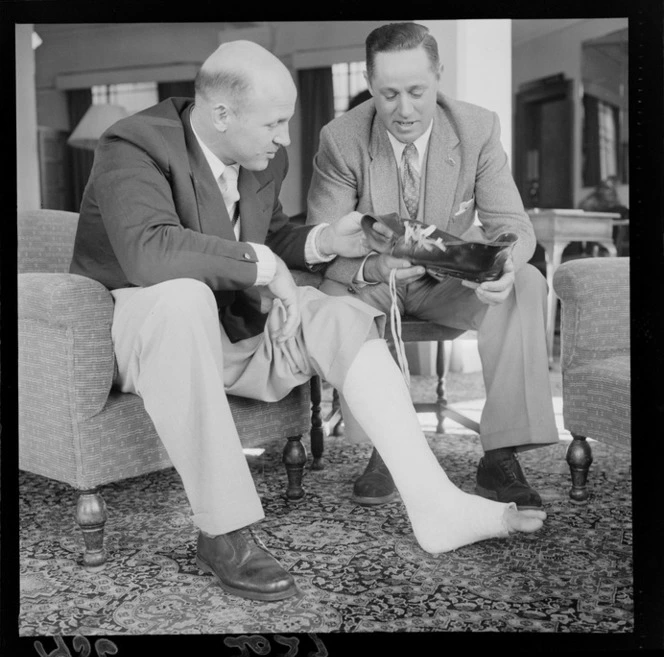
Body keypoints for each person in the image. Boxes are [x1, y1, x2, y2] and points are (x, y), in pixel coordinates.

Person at [70, 39, 546, 603]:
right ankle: (223, 532)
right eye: (275, 122)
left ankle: (434, 504)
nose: (285, 138)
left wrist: (322, 239)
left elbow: (270, 237)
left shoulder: (259, 156)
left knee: (337, 311)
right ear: (222, 115)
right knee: (182, 299)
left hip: (233, 330)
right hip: (145, 331)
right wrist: (267, 266)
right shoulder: (134, 143)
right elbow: (150, 251)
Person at [307, 22, 559, 509]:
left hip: (446, 281)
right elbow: (324, 244)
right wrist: (376, 268)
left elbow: (514, 225)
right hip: (373, 281)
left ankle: (500, 454)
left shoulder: (477, 127)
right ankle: (386, 445)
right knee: (334, 300)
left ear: (439, 76)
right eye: (389, 94)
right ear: (369, 80)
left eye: (417, 92)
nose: (404, 110)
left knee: (525, 283)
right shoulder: (340, 139)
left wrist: (503, 262)